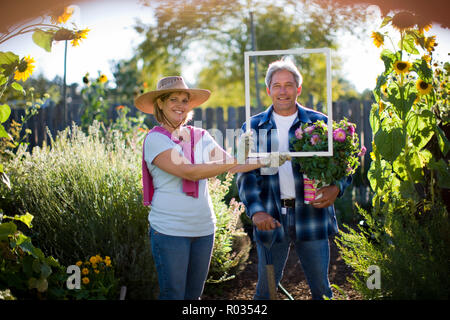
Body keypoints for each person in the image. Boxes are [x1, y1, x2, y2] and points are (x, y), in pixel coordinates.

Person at [134, 76, 289, 300]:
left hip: (204, 228)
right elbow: (190, 171)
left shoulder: (201, 136)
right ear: (160, 103)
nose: (180, 105)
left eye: (185, 100)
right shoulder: (155, 140)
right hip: (169, 230)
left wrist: (268, 159)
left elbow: (233, 164)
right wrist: (237, 157)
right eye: (173, 100)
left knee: (194, 297)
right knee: (174, 295)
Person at [236, 59, 352, 300]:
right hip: (271, 218)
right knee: (266, 290)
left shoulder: (319, 123)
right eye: (276, 85)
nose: (283, 91)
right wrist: (256, 211)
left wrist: (336, 188)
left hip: (312, 215)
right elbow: (245, 173)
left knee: (321, 289)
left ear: (298, 89)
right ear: (268, 90)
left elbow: (345, 165)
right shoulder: (253, 126)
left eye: (289, 85)